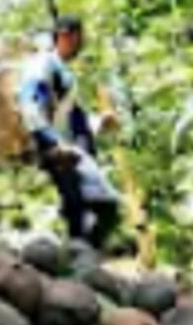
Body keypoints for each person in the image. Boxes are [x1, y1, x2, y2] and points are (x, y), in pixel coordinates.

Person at [16, 17, 122, 249]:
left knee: (85, 208)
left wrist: (99, 122)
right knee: (100, 206)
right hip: (58, 150)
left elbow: (72, 118)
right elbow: (30, 104)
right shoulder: (42, 64)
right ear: (65, 35)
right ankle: (80, 257)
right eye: (79, 37)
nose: (81, 43)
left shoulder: (63, 72)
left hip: (72, 149)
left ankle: (83, 258)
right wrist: (53, 143)